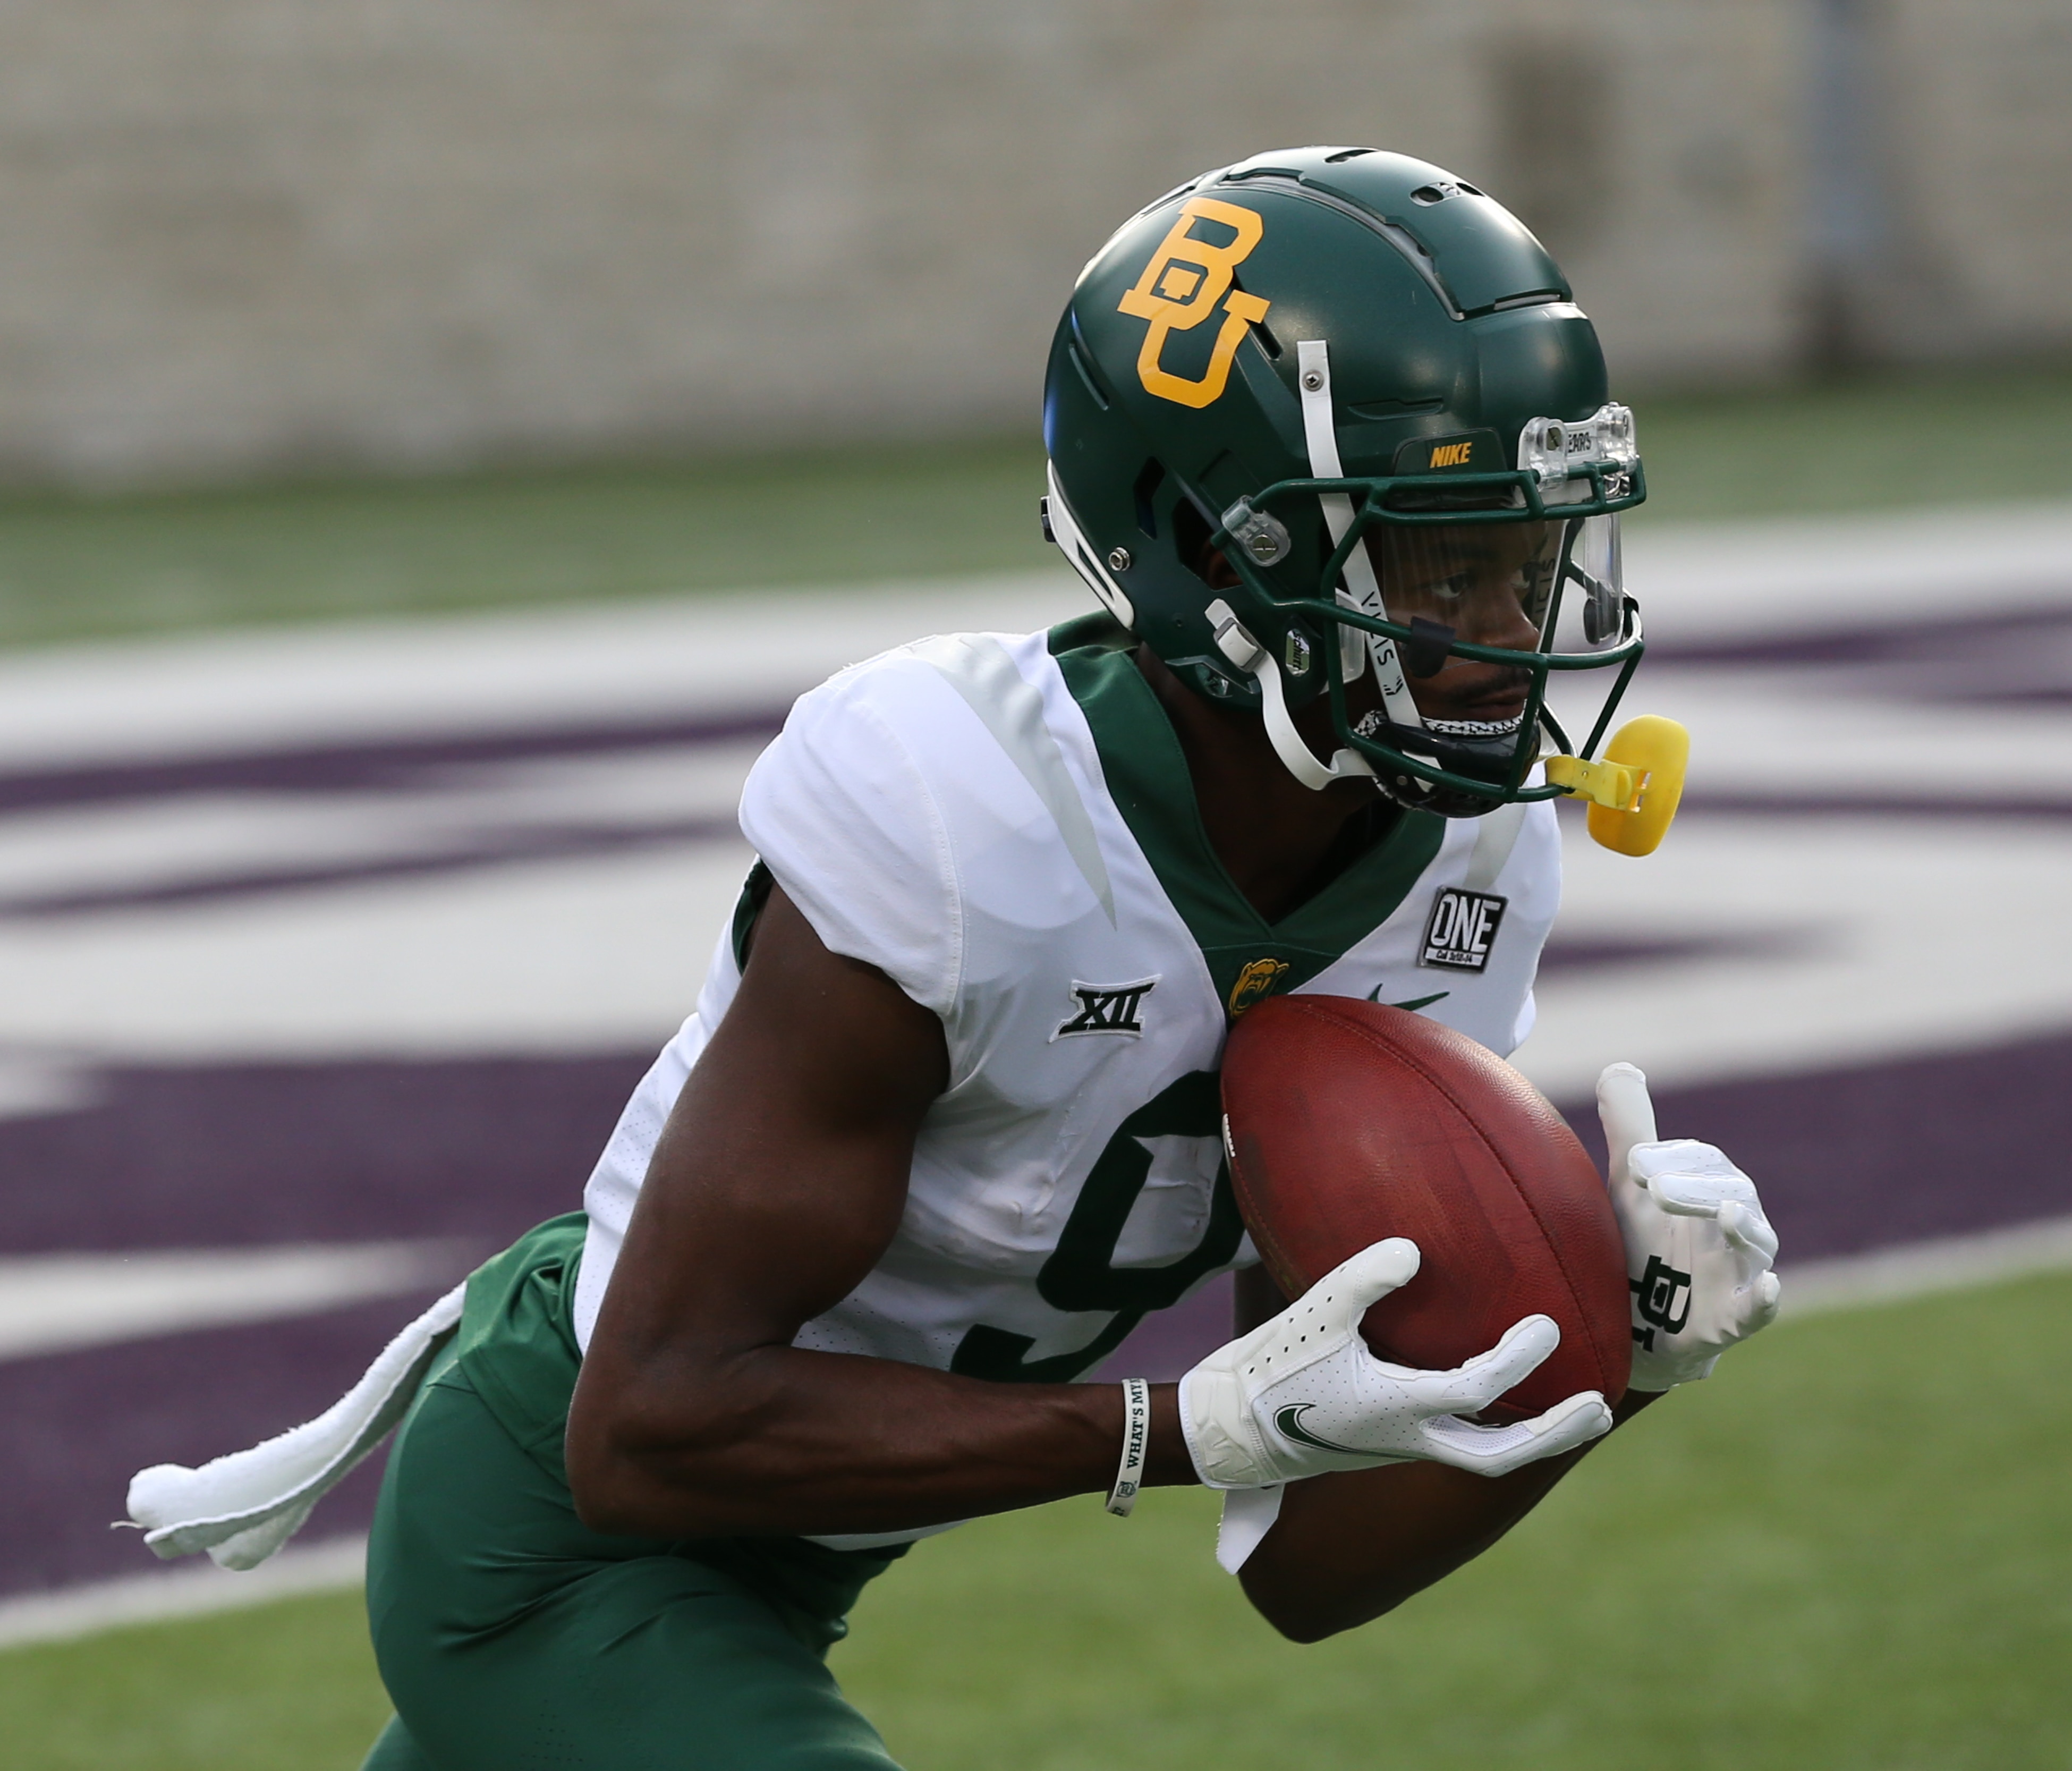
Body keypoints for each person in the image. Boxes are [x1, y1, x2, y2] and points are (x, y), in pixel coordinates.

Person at [125, 146, 1784, 1770]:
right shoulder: (961, 804)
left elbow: (1303, 1570)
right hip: (554, 1534)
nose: (1506, 635)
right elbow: (647, 1429)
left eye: (1527, 553)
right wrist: (1165, 1424)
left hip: (783, 1562)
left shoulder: (1473, 860)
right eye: (1434, 561)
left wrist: (1607, 1350)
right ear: (1208, 548)